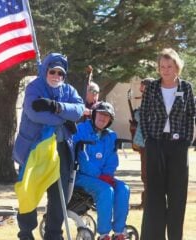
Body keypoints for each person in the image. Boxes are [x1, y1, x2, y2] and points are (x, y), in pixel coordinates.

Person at [12, 52, 85, 240]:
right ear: (45, 70)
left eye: (61, 73)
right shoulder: (33, 87)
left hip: (61, 151)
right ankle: (26, 233)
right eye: (52, 71)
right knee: (29, 191)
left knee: (58, 196)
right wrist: (63, 120)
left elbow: (78, 110)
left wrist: (55, 106)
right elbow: (34, 113)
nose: (56, 76)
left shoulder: (69, 90)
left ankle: (53, 234)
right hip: (34, 150)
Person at [140, 48, 195, 240]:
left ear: (177, 67)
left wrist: (187, 140)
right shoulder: (152, 88)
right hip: (155, 144)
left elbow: (191, 116)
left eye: (169, 66)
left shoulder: (186, 88)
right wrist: (148, 139)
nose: (165, 70)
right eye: (162, 66)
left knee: (177, 196)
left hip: (178, 146)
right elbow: (144, 115)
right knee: (154, 195)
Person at [73, 101, 130, 240]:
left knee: (123, 188)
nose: (103, 118)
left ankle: (119, 232)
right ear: (93, 114)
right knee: (106, 190)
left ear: (110, 120)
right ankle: (104, 234)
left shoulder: (111, 136)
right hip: (81, 176)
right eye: (101, 114)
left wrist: (107, 175)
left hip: (102, 177)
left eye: (107, 116)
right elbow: (82, 160)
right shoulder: (80, 130)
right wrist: (100, 176)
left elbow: (112, 160)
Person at [130, 78, 152, 209]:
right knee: (145, 174)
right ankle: (146, 202)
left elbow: (142, 116)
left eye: (143, 89)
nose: (141, 92)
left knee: (147, 174)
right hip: (144, 144)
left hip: (148, 143)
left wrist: (136, 114)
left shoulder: (152, 101)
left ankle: (147, 202)